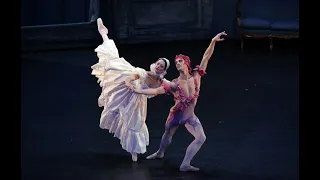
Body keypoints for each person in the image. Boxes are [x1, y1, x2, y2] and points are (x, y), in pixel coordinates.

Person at [131, 31, 227, 171]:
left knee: (201, 138)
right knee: (168, 134)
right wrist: (139, 91)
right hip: (175, 115)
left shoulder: (196, 77)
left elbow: (206, 57)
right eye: (176, 62)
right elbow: (156, 91)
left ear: (187, 63)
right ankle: (160, 152)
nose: (177, 63)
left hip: (190, 117)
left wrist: (213, 41)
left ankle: (185, 164)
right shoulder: (174, 84)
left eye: (180, 61)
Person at [91, 18, 171, 162]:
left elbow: (169, 86)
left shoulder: (160, 81)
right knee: (113, 60)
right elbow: (132, 77)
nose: (158, 66)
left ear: (164, 70)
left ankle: (133, 151)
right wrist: (129, 84)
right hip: (128, 89)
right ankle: (104, 33)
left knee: (135, 124)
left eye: (161, 66)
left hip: (137, 102)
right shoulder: (146, 73)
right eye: (158, 64)